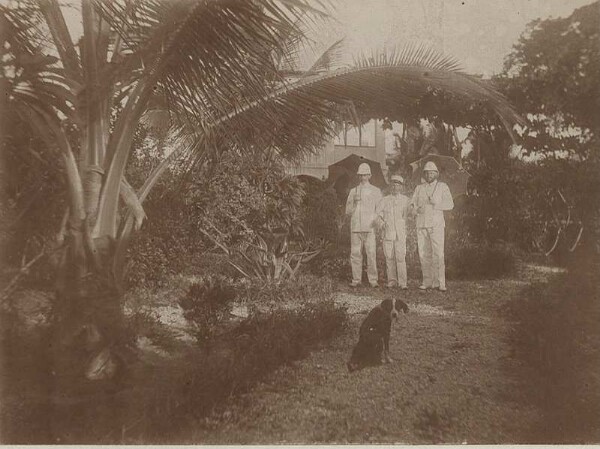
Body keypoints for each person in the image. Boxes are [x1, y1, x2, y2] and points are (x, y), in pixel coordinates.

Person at [410, 161, 454, 292]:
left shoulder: (442, 187)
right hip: (422, 224)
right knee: (424, 254)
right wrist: (415, 209)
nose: (429, 174)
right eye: (427, 172)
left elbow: (450, 205)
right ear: (424, 174)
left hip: (436, 224)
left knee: (438, 253)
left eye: (432, 172)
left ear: (437, 174)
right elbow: (412, 203)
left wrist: (436, 203)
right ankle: (427, 281)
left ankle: (440, 283)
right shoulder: (419, 188)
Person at [345, 163, 382, 287]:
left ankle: (373, 280)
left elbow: (380, 209)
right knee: (355, 254)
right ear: (358, 176)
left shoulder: (376, 191)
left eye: (365, 174)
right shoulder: (353, 191)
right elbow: (348, 211)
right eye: (361, 175)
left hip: (369, 227)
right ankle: (356, 280)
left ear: (370, 175)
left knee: (371, 254)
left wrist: (375, 219)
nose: (363, 177)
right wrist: (354, 203)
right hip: (356, 227)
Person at [376, 174, 409, 289]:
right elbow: (377, 215)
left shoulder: (406, 200)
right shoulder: (384, 200)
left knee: (400, 258)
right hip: (388, 233)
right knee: (389, 258)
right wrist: (381, 223)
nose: (395, 187)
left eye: (398, 185)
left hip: (400, 234)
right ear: (390, 186)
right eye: (393, 185)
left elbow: (409, 216)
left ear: (401, 187)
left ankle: (403, 283)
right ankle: (392, 281)